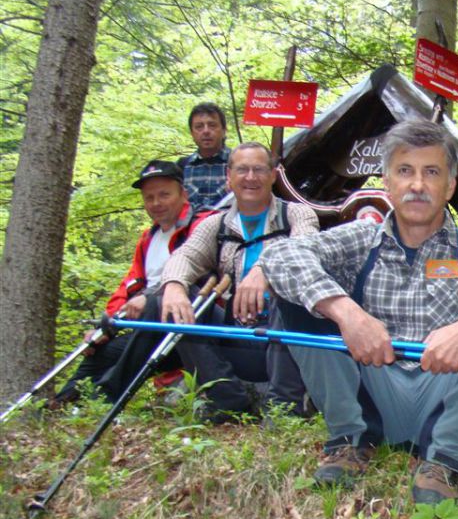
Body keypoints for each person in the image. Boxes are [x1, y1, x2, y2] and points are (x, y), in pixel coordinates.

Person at [260, 120, 458, 503]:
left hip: (450, 390)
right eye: (405, 171)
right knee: (298, 295)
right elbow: (279, 256)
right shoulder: (360, 239)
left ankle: (446, 456)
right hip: (368, 387)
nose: (417, 185)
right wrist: (346, 313)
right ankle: (350, 438)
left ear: (451, 186)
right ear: (387, 183)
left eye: (432, 172)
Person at [159, 141, 319, 421]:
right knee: (175, 299)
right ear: (229, 177)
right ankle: (227, 397)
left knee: (291, 294)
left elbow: (303, 246)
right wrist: (173, 286)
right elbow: (185, 256)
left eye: (259, 169)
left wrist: (265, 270)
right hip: (237, 335)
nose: (250, 177)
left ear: (273, 175)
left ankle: (284, 408)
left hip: (282, 341)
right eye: (242, 170)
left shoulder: (296, 214)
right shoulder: (215, 224)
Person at [55, 160, 212, 403]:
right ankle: (56, 406)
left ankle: (104, 400)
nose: (156, 203)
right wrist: (107, 324)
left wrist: (149, 298)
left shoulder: (202, 225)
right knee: (99, 353)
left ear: (183, 193)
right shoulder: (148, 238)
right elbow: (130, 284)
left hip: (192, 329)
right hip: (151, 332)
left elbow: (202, 274)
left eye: (164, 194)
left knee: (143, 325)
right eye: (149, 198)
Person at [177, 102, 231, 211]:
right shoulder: (181, 167)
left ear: (224, 130)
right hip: (191, 227)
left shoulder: (239, 163)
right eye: (199, 127)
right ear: (192, 133)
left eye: (212, 125)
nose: (206, 131)